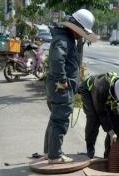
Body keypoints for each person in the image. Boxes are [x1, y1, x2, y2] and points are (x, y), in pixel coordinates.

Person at [40, 9, 97, 164]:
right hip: (62, 87)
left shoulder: (64, 38)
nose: (81, 35)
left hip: (60, 86)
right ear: (75, 27)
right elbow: (57, 60)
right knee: (60, 120)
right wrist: (63, 80)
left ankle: (49, 152)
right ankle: (55, 155)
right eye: (82, 31)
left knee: (55, 119)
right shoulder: (64, 40)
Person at [78, 73, 119, 159]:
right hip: (90, 92)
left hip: (106, 97)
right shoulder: (101, 86)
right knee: (94, 119)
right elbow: (101, 112)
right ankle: (90, 150)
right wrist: (110, 131)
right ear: (114, 93)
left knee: (117, 119)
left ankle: (109, 153)